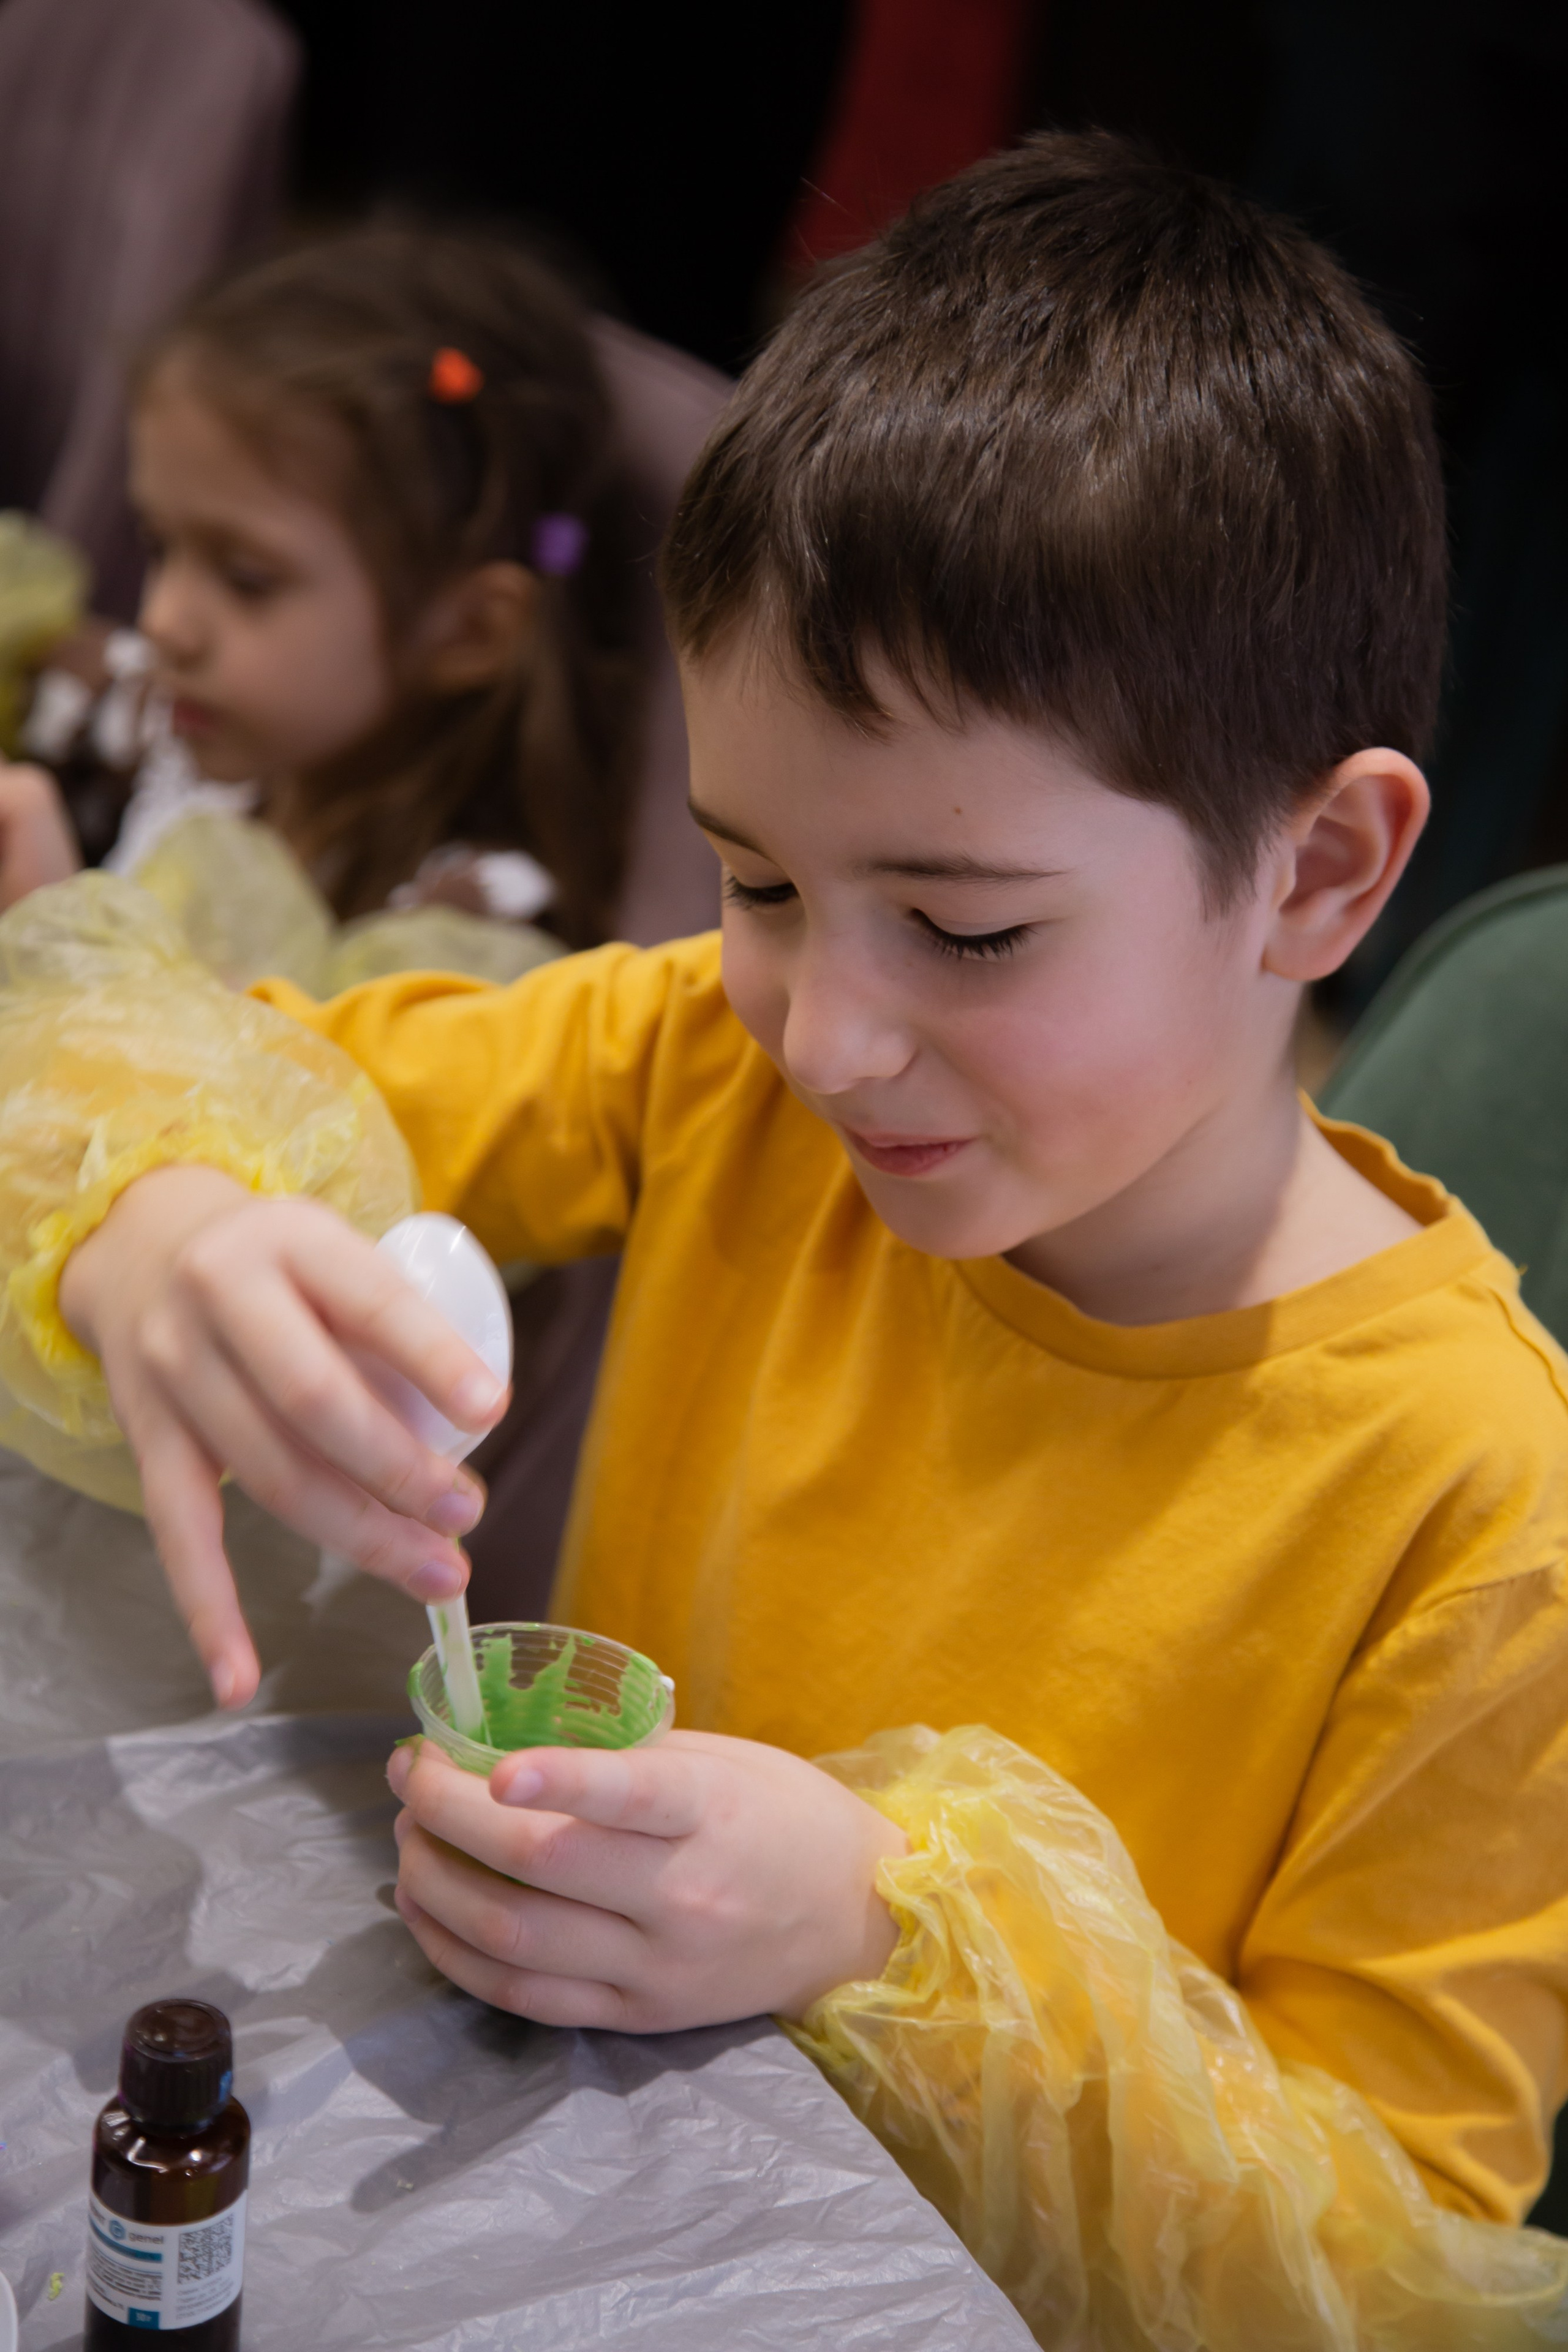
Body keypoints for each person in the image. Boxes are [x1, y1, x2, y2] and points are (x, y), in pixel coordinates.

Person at [1, 135, 1566, 2345]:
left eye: (964, 926)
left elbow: (1380, 2274)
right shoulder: (712, 1073)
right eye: (754, 881)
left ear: (1315, 872)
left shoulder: (1477, 1519)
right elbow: (141, 1058)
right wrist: (152, 1219)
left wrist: (893, 1925)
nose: (823, 1032)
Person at [0, 224, 646, 972]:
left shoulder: (465, 923)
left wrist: (51, 935)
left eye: (247, 579)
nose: (164, 622)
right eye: (159, 546)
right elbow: (51, 665)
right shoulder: (171, 722)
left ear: (469, 631)